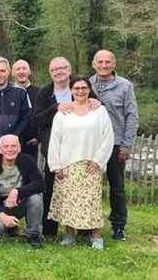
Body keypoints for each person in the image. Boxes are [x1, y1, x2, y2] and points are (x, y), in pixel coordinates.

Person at [47, 76, 114, 250]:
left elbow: (108, 138)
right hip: (68, 164)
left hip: (90, 164)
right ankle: (69, 235)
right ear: (71, 90)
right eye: (76, 88)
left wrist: (98, 161)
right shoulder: (63, 113)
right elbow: (55, 139)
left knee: (91, 201)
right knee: (69, 201)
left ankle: (96, 236)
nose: (80, 91)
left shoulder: (99, 111)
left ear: (89, 89)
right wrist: (56, 165)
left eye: (83, 87)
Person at [90, 50, 139, 241]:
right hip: (91, 144)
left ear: (114, 64)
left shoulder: (125, 86)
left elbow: (132, 117)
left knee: (116, 187)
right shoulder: (86, 83)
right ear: (93, 64)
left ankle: (118, 225)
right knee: (89, 186)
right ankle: (87, 224)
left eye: (107, 62)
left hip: (116, 144)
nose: (103, 65)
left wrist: (126, 145)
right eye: (100, 62)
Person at [30, 56, 76, 242]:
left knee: (76, 190)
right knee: (50, 189)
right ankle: (49, 231)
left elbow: (95, 108)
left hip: (77, 150)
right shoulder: (44, 93)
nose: (59, 72)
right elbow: (36, 119)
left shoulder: (80, 87)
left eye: (62, 68)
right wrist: (56, 107)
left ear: (70, 69)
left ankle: (78, 228)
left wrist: (95, 103)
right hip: (53, 150)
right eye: (54, 69)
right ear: (50, 73)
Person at [0, 135, 45, 249]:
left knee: (36, 198)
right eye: (6, 146)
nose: (10, 149)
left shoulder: (27, 160)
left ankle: (33, 235)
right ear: (0, 149)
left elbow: (40, 183)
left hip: (18, 203)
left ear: (19, 148)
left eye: (13, 146)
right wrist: (1, 215)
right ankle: (3, 230)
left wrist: (17, 192)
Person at [11, 59, 40, 159]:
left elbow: (43, 115)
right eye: (18, 69)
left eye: (24, 68)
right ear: (13, 73)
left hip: (32, 143)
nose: (21, 71)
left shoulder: (40, 93)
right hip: (11, 143)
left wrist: (38, 137)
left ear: (29, 71)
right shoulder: (8, 93)